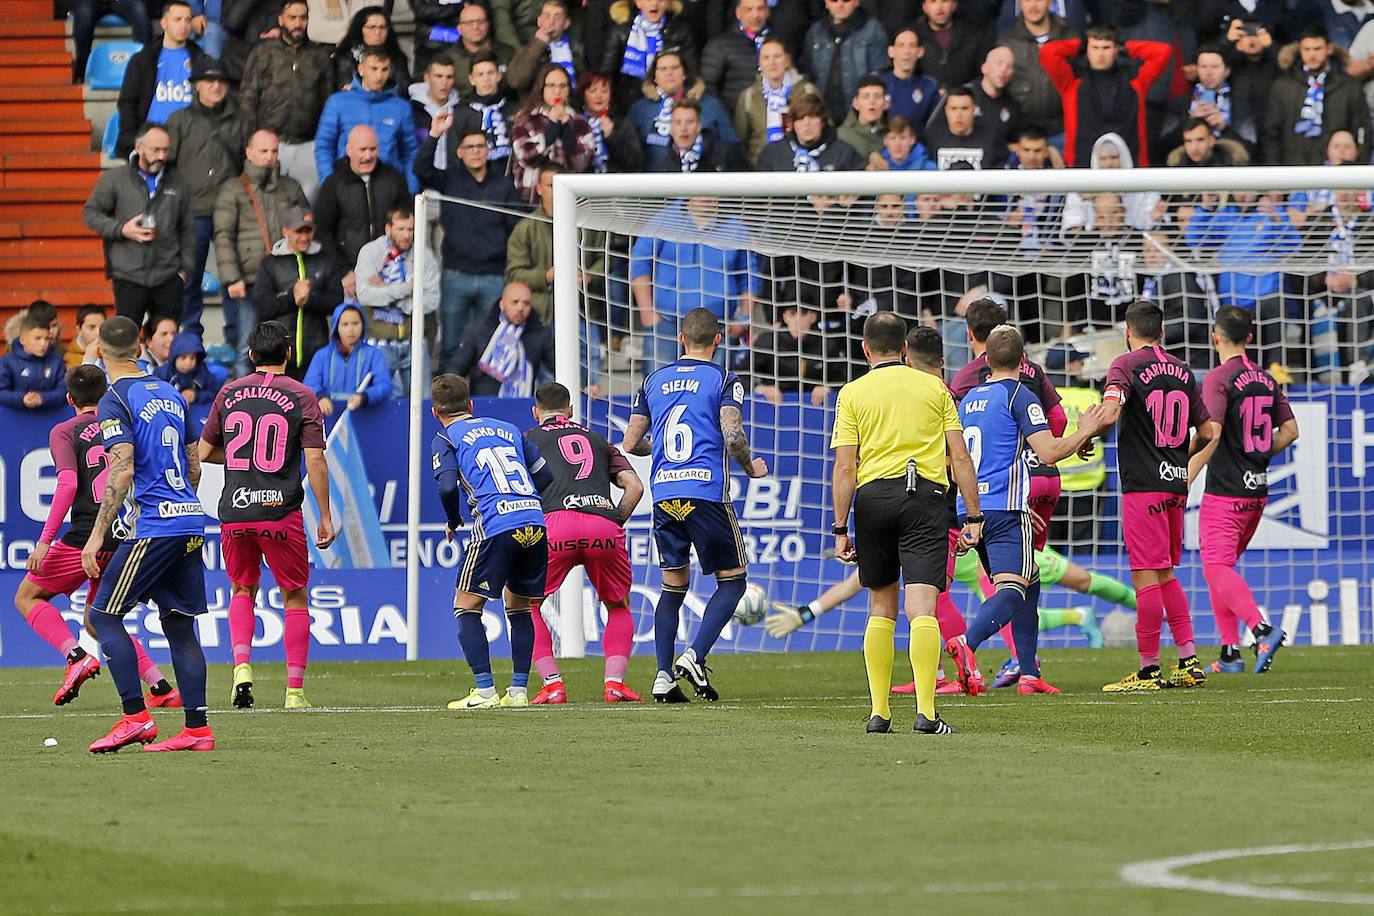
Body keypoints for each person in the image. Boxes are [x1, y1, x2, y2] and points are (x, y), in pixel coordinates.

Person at [828, 312, 981, 734]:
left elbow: (845, 467)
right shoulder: (935, 387)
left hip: (874, 498)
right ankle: (927, 715)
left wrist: (841, 527)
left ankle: (879, 713)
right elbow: (961, 457)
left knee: (881, 607)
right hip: (926, 499)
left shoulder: (852, 392)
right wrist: (973, 515)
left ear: (865, 348)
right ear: (905, 351)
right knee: (922, 609)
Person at [621, 308, 768, 703]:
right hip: (705, 493)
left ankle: (663, 675)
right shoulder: (722, 378)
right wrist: (751, 467)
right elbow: (732, 435)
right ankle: (694, 656)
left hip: (665, 495)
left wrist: (663, 451)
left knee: (673, 586)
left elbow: (631, 443)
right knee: (733, 580)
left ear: (681, 339)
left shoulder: (653, 380)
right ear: (718, 341)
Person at [16, 364, 182, 709]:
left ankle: (75, 656)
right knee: (98, 620)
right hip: (124, 535)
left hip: (85, 538)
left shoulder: (65, 431)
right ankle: (161, 687)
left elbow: (69, 484)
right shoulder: (122, 425)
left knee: (27, 597)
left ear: (68, 398)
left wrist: (46, 540)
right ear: (106, 394)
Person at [83, 316, 212, 753]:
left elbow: (121, 470)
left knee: (102, 617)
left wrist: (97, 536)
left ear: (101, 352)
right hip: (191, 518)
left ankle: (136, 718)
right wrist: (181, 504)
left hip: (157, 525)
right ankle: (197, 730)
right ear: (139, 347)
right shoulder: (173, 393)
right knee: (179, 625)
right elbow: (193, 466)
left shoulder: (115, 398)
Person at [955, 325, 1104, 696]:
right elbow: (1050, 452)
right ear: (1024, 361)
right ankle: (966, 643)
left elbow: (953, 456)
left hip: (970, 506)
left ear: (985, 360)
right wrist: (1086, 429)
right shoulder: (1020, 395)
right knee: (1014, 589)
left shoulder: (969, 397)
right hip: (1006, 506)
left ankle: (1028, 671)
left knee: (1029, 579)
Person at [198, 320, 333, 708]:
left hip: (236, 513)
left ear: (252, 356)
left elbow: (205, 454)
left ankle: (242, 668)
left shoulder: (229, 392)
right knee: (294, 596)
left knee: (242, 589)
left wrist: (245, 461)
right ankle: (294, 692)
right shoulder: (302, 395)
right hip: (280, 513)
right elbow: (314, 459)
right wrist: (324, 515)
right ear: (288, 355)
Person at [1094, 301, 1219, 693]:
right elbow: (1209, 431)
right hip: (1175, 485)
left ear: (1127, 332)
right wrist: (1183, 457)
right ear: (1162, 333)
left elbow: (1112, 413)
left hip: (1143, 484)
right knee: (1165, 572)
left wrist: (1088, 434)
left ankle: (1148, 670)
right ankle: (1189, 660)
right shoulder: (1183, 369)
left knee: (1145, 574)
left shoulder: (1125, 365)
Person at [430, 373, 551, 709]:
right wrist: (524, 501)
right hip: (533, 522)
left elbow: (446, 486)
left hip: (496, 525)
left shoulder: (446, 437)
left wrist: (453, 519)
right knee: (520, 606)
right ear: (470, 405)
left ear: (434, 412)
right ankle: (518, 692)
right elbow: (545, 474)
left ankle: (484, 691)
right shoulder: (509, 429)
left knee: (465, 606)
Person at [523, 382, 646, 704]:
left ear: (536, 413)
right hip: (602, 522)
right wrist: (613, 520)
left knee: (523, 604)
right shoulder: (598, 439)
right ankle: (615, 683)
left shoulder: (527, 441)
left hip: (554, 526)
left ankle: (552, 684)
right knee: (618, 605)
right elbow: (634, 487)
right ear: (571, 411)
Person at [1198, 307, 1299, 675]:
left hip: (1225, 489)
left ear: (1215, 337)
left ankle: (1262, 630)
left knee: (1215, 567)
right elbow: (1290, 431)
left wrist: (1188, 469)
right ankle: (1229, 654)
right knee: (1220, 569)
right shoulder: (1266, 379)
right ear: (1250, 339)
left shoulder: (1219, 378)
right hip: (1256, 491)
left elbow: (1213, 432)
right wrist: (1257, 453)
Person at [166, 57, 251, 337]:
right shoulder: (179, 120)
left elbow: (247, 165)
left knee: (234, 277)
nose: (215, 86)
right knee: (188, 278)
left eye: (220, 81)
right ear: (196, 85)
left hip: (231, 209)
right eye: (209, 81)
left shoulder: (242, 121)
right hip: (192, 211)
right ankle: (189, 338)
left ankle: (237, 336)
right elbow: (168, 166)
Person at [82, 123, 196, 331]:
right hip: (128, 275)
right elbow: (90, 214)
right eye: (156, 150)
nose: (162, 156)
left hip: (168, 274)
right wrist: (122, 228)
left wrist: (184, 271)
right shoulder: (114, 179)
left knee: (167, 340)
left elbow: (188, 229)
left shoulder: (178, 183)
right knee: (127, 338)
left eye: (165, 150)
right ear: (139, 147)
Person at [214, 129, 310, 375]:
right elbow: (223, 236)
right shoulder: (232, 189)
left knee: (283, 346)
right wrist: (232, 278)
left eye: (274, 151)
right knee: (246, 345)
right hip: (249, 280)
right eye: (263, 151)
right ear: (248, 153)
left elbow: (305, 231)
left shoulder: (290, 187)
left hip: (285, 280)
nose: (270, 156)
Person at [631, 196, 758, 372]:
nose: (708, 197)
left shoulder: (736, 227)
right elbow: (639, 265)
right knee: (659, 391)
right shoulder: (663, 221)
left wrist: (743, 320)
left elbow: (750, 278)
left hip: (718, 328)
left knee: (711, 392)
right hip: (666, 325)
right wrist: (647, 313)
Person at [1038, 24, 1173, 167]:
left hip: (1132, 169)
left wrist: (1125, 47)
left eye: (1106, 48)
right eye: (1095, 48)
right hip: (1081, 169)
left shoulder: (1136, 80)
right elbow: (1047, 52)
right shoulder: (1072, 82)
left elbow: (1163, 52)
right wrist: (1080, 45)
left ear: (1116, 50)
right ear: (1087, 50)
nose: (1100, 54)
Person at [239, 0, 334, 201]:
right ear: (281, 19)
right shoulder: (263, 52)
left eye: (303, 18)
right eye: (292, 18)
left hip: (308, 145)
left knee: (308, 205)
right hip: (271, 145)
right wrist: (256, 139)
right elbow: (248, 99)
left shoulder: (320, 56)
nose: (298, 23)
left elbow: (327, 103)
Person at [252, 206, 348, 378]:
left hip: (315, 354)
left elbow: (336, 301)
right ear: (285, 231)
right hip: (278, 356)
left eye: (308, 231)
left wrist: (310, 298)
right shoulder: (270, 263)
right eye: (299, 232)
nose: (304, 238)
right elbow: (262, 306)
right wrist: (291, 296)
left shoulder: (326, 260)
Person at [353, 204, 441, 382]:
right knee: (380, 403)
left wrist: (389, 293)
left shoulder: (424, 256)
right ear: (388, 228)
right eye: (401, 229)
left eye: (411, 229)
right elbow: (365, 295)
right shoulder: (371, 252)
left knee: (421, 404)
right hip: (379, 343)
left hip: (414, 343)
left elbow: (432, 300)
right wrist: (406, 289)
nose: (407, 235)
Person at [1262, 25, 1372, 166]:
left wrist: (1358, 168)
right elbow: (1271, 135)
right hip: (1291, 171)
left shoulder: (1349, 86)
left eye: (1317, 49)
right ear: (1300, 51)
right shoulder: (1282, 86)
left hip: (1338, 174)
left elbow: (1363, 129)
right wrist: (1273, 175)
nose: (1312, 55)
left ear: (1329, 49)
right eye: (1306, 49)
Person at [315, 49, 420, 192]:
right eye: (374, 69)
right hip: (347, 184)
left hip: (389, 187)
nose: (379, 75)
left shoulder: (401, 107)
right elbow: (324, 147)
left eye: (384, 69)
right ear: (361, 69)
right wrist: (329, 185)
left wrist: (409, 191)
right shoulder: (337, 102)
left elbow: (410, 154)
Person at [314, 125, 410, 272]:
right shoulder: (333, 184)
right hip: (349, 272)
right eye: (362, 150)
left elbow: (408, 221)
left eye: (372, 149)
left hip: (391, 268)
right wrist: (343, 272)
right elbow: (322, 232)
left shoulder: (394, 179)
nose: (368, 156)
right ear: (348, 149)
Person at [114, 0, 204, 158]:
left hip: (191, 140)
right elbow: (127, 103)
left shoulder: (201, 60)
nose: (183, 25)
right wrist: (133, 141)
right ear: (163, 23)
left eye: (188, 20)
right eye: (177, 19)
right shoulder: (143, 60)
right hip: (151, 140)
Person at [627, 51, 738, 171]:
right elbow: (629, 154)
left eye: (675, 68)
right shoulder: (639, 109)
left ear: (684, 73)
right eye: (663, 69)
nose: (669, 73)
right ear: (654, 76)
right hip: (652, 184)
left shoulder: (710, 105)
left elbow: (732, 147)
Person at [511, 63, 597, 203]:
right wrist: (549, 133)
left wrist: (566, 130)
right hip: (532, 198)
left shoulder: (580, 122)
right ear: (541, 88)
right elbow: (525, 156)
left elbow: (583, 163)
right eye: (551, 86)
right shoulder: (525, 120)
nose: (557, 91)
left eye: (563, 86)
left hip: (570, 200)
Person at [453, 281, 553, 397]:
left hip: (524, 404)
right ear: (502, 304)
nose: (520, 308)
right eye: (515, 302)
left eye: (526, 303)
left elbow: (555, 364)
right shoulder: (477, 330)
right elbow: (457, 368)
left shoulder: (540, 333)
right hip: (483, 402)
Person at [733, 38, 818, 166]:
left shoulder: (808, 91)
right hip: (761, 169)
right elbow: (740, 140)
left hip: (802, 167)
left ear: (787, 59)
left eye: (777, 56)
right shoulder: (748, 97)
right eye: (766, 57)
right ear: (759, 63)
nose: (772, 62)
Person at [600, 0, 697, 110]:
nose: (654, 4)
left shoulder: (681, 31)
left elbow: (691, 72)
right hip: (628, 103)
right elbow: (608, 74)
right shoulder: (621, 32)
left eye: (660, 0)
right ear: (638, 3)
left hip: (671, 102)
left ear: (668, 3)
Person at [996, 0, 1072, 140]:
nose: (1033, 5)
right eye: (1027, 0)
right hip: (1021, 135)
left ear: (1049, 3)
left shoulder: (1069, 37)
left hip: (1063, 130)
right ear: (1020, 5)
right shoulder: (1006, 42)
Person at [802, 0, 888, 119]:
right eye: (834, 0)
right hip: (821, 113)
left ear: (857, 2)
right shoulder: (815, 32)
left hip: (859, 114)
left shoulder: (873, 30)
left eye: (846, 0)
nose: (840, 4)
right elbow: (808, 71)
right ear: (826, 3)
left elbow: (879, 74)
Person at [757, 92, 864, 171]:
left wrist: (834, 201)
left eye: (813, 117)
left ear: (822, 121)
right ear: (792, 123)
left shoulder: (845, 153)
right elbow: (756, 196)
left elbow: (865, 193)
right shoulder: (773, 153)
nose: (807, 123)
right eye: (800, 118)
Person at [700, 0, 770, 115]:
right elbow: (708, 88)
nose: (755, 15)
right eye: (749, 9)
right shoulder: (719, 45)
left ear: (768, 11)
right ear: (738, 13)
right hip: (734, 120)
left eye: (760, 9)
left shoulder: (779, 42)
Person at [506, 0, 587, 94]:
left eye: (557, 17)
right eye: (546, 16)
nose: (551, 22)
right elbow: (516, 82)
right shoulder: (526, 49)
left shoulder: (576, 49)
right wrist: (538, 44)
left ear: (566, 23)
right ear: (539, 21)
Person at [921, 85, 1011, 169]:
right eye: (954, 108)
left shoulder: (991, 137)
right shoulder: (930, 137)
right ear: (946, 111)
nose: (959, 115)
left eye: (964, 108)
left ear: (974, 110)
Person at [439, 2, 516, 97]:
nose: (475, 27)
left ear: (488, 24)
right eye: (469, 23)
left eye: (480, 22)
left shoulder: (507, 52)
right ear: (459, 28)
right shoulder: (449, 57)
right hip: (463, 109)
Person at [577, 70, 646, 172]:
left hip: (615, 184)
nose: (599, 96)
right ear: (583, 94)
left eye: (604, 91)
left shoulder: (621, 123)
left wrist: (612, 135)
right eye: (592, 91)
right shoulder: (575, 121)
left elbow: (635, 162)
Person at [330, 6, 409, 93]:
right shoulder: (346, 56)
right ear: (360, 29)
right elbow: (343, 85)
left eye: (382, 27)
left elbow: (404, 87)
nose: (378, 33)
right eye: (371, 27)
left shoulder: (396, 56)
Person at [460, 51, 518, 168]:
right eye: (480, 74)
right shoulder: (460, 113)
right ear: (471, 79)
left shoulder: (515, 109)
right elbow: (454, 155)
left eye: (490, 73)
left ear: (498, 76)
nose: (486, 79)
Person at [914, 0, 988, 90]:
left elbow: (982, 75)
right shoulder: (914, 36)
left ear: (954, 4)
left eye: (944, 1)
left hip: (964, 99)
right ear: (924, 7)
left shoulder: (973, 36)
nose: (939, 7)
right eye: (933, 1)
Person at [0, 315, 68, 411]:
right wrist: (22, 398)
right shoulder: (7, 362)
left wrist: (43, 398)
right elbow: (1, 392)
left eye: (47, 338)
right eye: (38, 338)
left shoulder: (57, 361)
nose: (43, 343)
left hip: (51, 418)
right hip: (15, 420)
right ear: (22, 340)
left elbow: (64, 391)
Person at [880, 29, 939, 128]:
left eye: (911, 46)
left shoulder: (929, 87)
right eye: (901, 45)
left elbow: (934, 126)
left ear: (920, 52)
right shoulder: (877, 82)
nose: (906, 51)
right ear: (891, 51)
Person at [408, 57, 459, 171]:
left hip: (454, 181)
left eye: (449, 77)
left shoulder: (461, 110)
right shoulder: (411, 110)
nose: (444, 82)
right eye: (438, 76)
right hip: (419, 179)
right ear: (427, 78)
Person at [153, 332, 224, 404]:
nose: (188, 363)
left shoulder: (202, 372)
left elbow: (215, 392)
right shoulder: (162, 374)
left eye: (192, 358)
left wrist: (196, 396)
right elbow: (154, 393)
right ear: (174, 358)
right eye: (183, 358)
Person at [836, 75, 889, 163]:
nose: (871, 101)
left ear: (886, 103)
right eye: (865, 97)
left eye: (877, 96)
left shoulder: (893, 132)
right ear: (856, 104)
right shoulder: (841, 136)